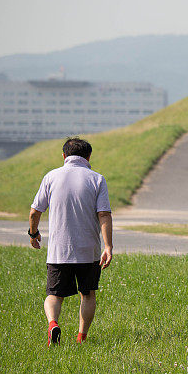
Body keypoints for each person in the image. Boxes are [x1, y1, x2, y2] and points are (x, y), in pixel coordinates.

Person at [29, 138, 113, 346]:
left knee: (54, 295)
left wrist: (33, 233)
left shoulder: (51, 177)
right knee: (87, 294)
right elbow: (104, 214)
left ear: (64, 156)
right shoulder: (97, 179)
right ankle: (81, 337)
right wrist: (108, 246)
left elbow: (34, 211)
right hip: (88, 250)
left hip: (59, 251)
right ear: (88, 157)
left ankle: (53, 324)